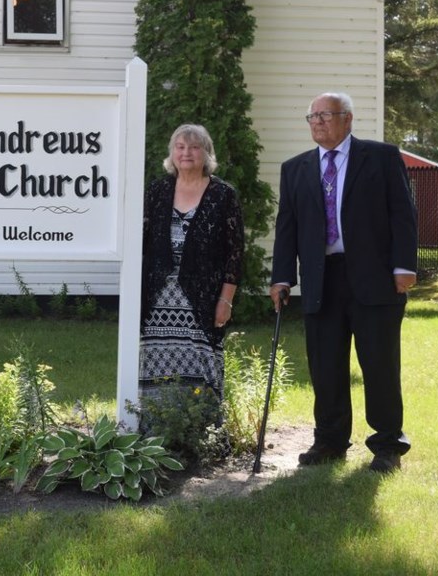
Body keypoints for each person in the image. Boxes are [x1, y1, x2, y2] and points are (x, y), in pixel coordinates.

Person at [270, 92, 417, 474]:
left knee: (380, 364)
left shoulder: (381, 157)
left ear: (347, 119)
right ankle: (330, 441)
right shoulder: (295, 168)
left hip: (375, 277)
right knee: (326, 365)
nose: (317, 122)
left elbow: (403, 214)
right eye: (312, 116)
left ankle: (387, 445)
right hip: (322, 279)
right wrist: (282, 277)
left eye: (326, 115)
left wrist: (404, 266)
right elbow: (287, 227)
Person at [139, 123, 245, 429]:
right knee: (155, 362)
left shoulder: (223, 195)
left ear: (206, 153)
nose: (186, 153)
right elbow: (140, 241)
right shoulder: (157, 192)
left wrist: (226, 299)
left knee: (201, 363)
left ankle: (200, 433)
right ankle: (153, 431)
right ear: (172, 154)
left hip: (202, 297)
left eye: (194, 147)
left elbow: (235, 253)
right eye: (180, 147)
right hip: (157, 297)